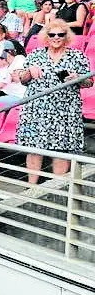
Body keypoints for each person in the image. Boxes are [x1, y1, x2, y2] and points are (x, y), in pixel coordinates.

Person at [15, 20, 92, 184]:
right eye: (52, 34)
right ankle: (31, 188)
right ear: (46, 36)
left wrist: (78, 78)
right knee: (34, 148)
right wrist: (29, 71)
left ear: (66, 36)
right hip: (37, 108)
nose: (56, 38)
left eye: (60, 34)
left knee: (62, 149)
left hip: (66, 109)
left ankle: (58, 188)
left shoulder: (77, 56)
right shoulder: (35, 54)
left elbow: (89, 82)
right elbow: (22, 79)